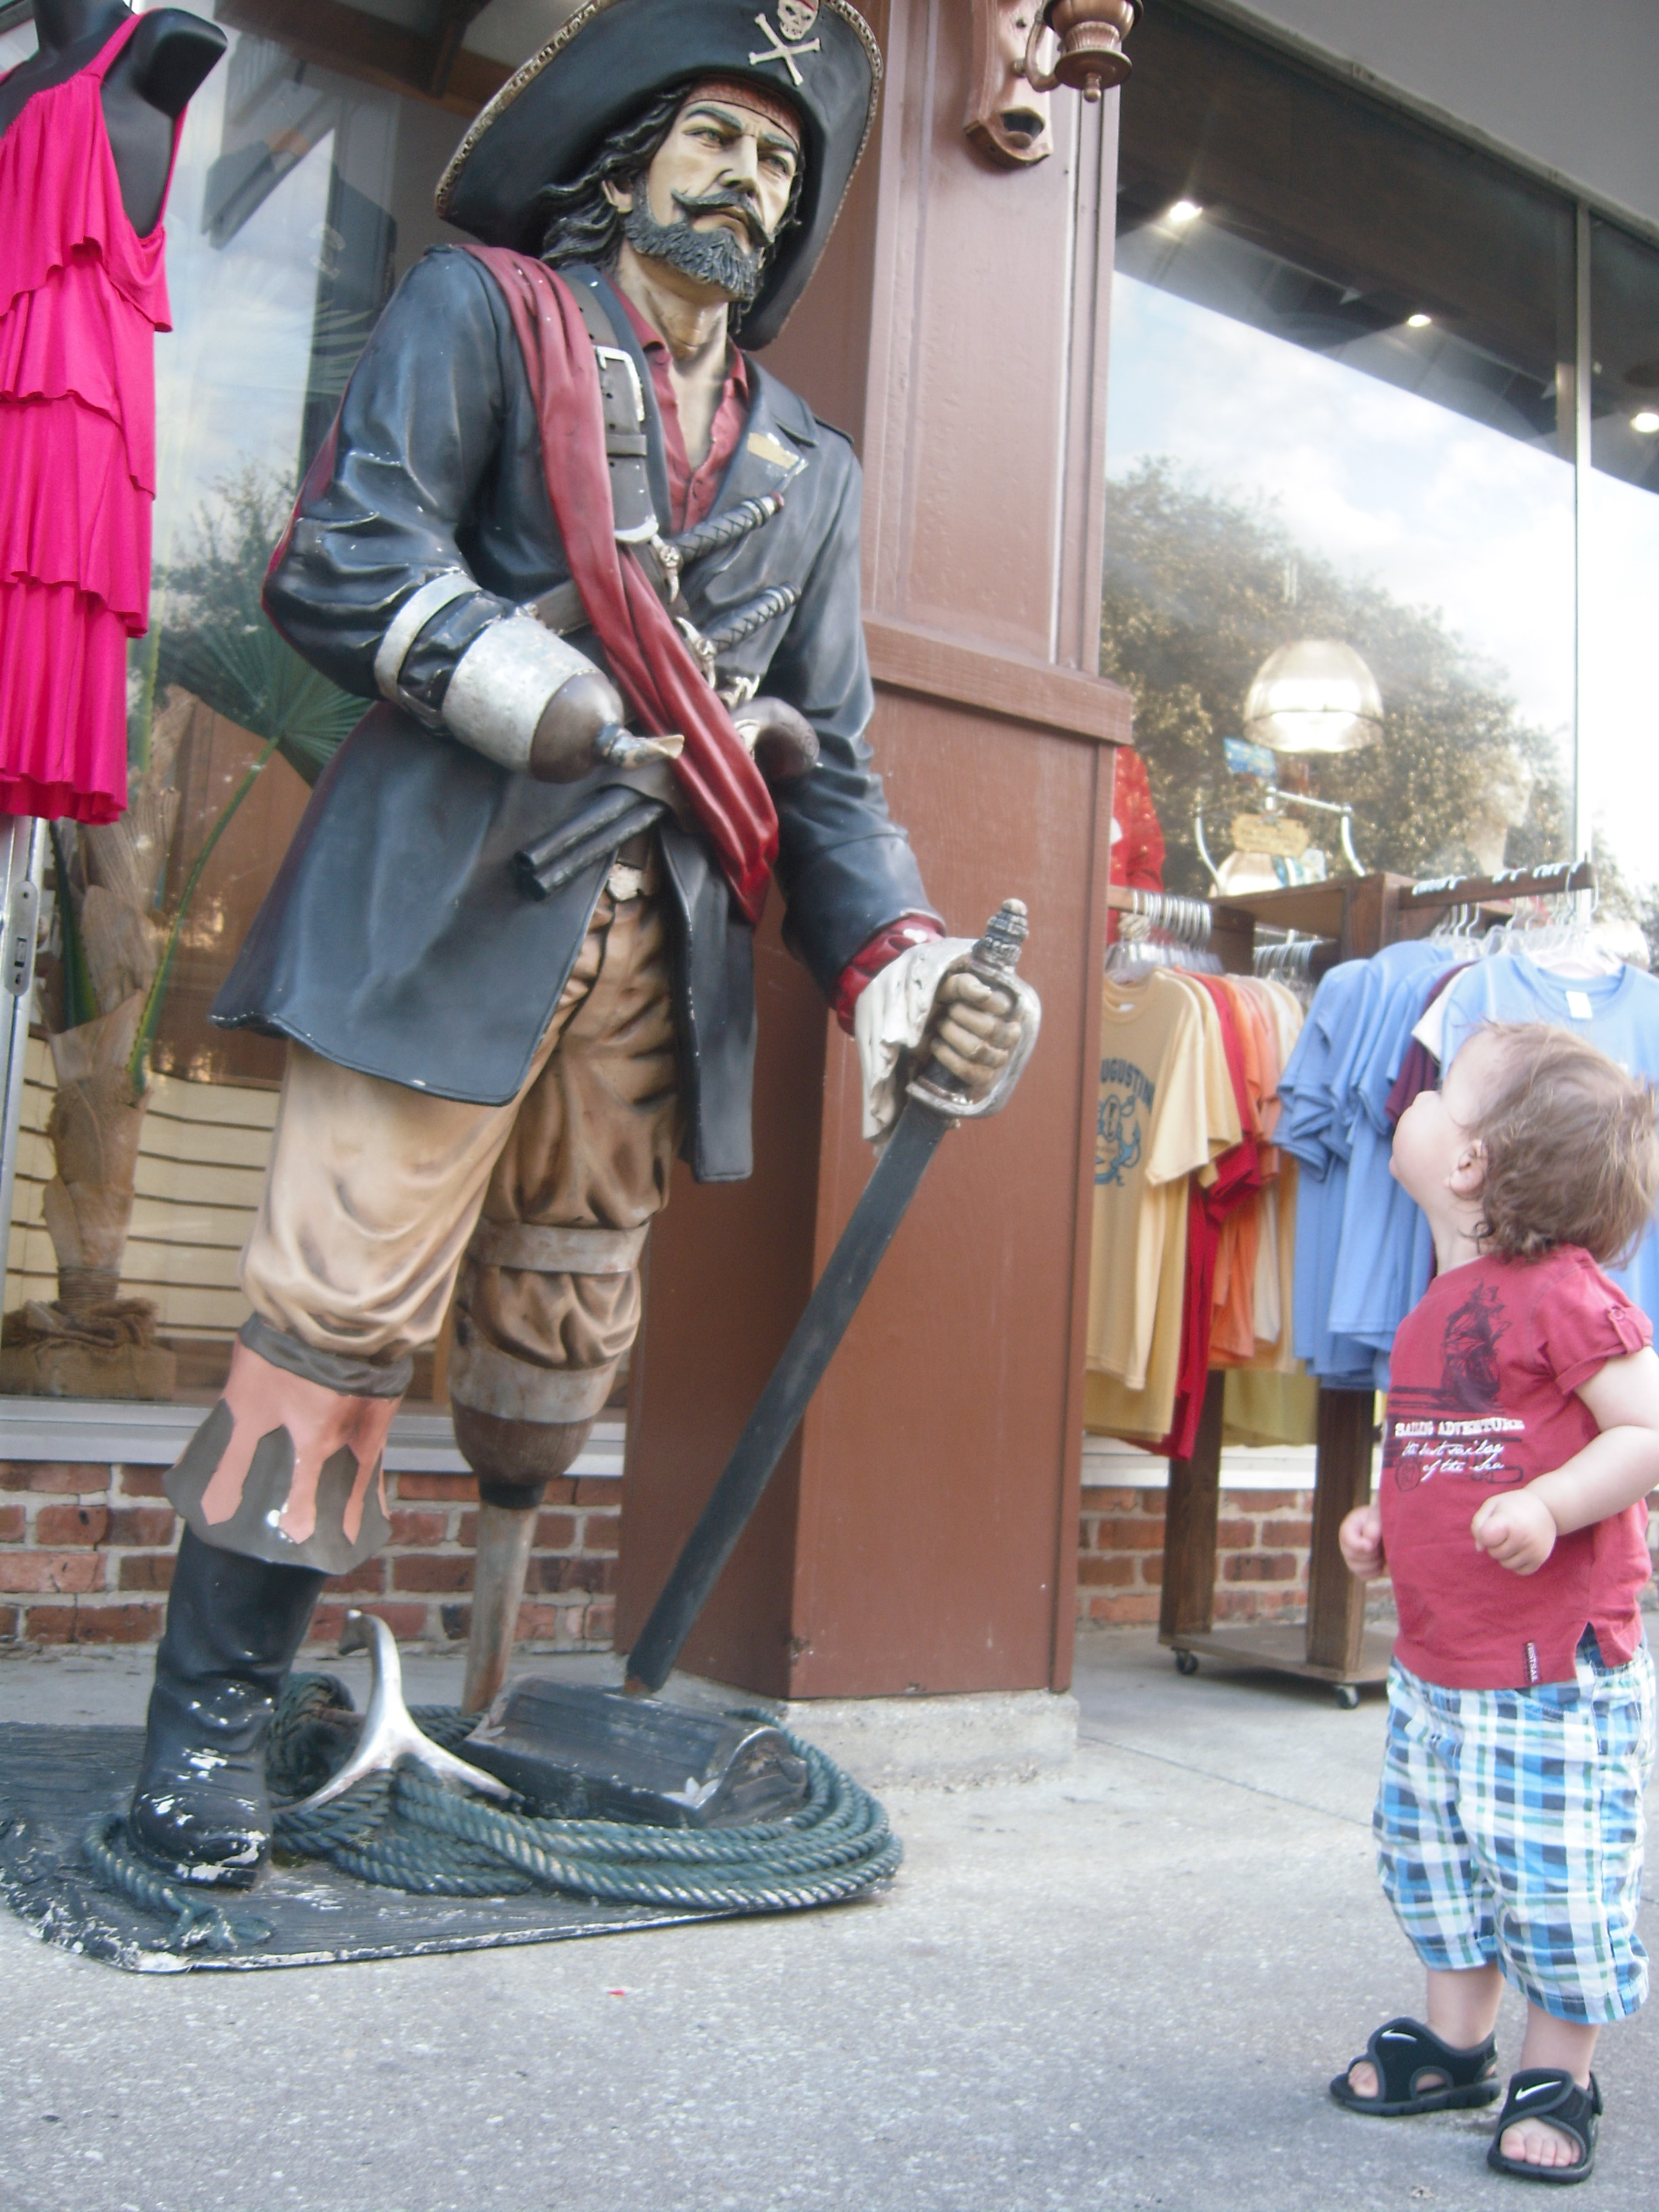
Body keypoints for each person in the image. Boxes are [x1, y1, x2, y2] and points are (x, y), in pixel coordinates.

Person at [125, 0, 1031, 1891]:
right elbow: (345, 558)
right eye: (717, 138)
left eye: (778, 161)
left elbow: (830, 763)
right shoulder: (481, 314)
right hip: (435, 915)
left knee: (559, 1337)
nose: (748, 181)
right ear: (627, 163)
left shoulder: (810, 463)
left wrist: (906, 962)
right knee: (337, 1320)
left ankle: (488, 1699)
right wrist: (530, 687)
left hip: (654, 964)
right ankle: (209, 1726)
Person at [1332, 1022, 1659, 2184]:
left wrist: (1554, 1506)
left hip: (1549, 1674)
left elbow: (1646, 1430)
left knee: (1554, 1874)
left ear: (1470, 1161)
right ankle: (1456, 2043)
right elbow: (1442, 1449)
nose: (1407, 1103)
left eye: (1434, 1093)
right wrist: (1385, 1525)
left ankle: (1558, 2074)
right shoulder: (1440, 1301)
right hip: (1438, 1665)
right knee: (1438, 1862)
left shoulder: (1568, 1295)